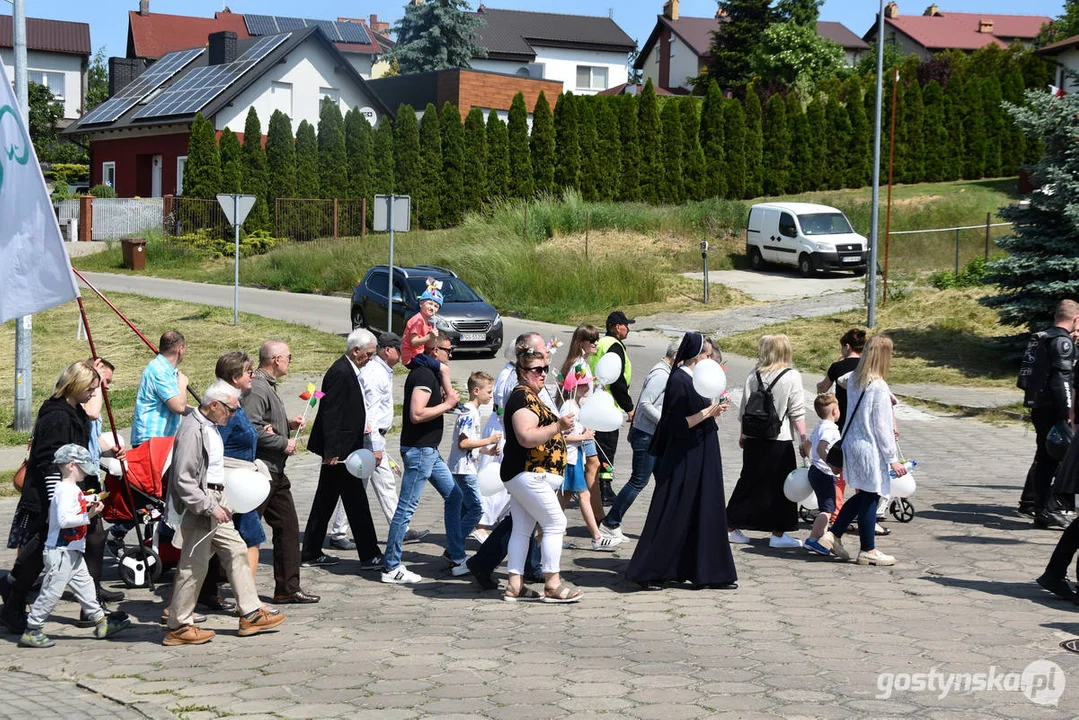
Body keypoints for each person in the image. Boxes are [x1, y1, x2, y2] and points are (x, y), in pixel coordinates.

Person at [163, 381, 286, 645]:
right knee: (192, 565)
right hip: (201, 507)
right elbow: (183, 479)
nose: (233, 415)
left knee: (237, 550)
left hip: (216, 501)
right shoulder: (192, 430)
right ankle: (179, 626)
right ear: (214, 404)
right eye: (230, 410)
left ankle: (251, 613)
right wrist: (209, 506)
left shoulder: (211, 425)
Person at [626, 332, 736, 589]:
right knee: (674, 509)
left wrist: (714, 411)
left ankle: (707, 571)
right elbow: (676, 424)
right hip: (684, 455)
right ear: (696, 355)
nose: (711, 359)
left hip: (702, 451)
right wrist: (708, 411)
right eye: (707, 354)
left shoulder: (694, 379)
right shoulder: (678, 379)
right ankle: (650, 570)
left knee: (705, 509)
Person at [1, 361, 100, 635]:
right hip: (51, 494)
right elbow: (48, 461)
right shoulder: (57, 416)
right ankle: (14, 596)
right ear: (76, 386)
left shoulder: (74, 411)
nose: (93, 393)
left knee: (91, 538)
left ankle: (91, 607)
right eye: (90, 388)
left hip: (70, 490)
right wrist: (57, 501)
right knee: (43, 548)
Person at [19, 444, 131, 648]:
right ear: (71, 466)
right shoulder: (65, 490)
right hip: (61, 552)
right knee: (51, 591)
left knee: (86, 586)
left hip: (72, 551)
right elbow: (63, 520)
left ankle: (101, 622)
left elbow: (71, 509)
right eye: (83, 468)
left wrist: (89, 501)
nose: (86, 472)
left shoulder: (72, 489)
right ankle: (32, 628)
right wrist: (89, 516)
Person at [465, 334, 549, 590]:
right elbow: (517, 417)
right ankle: (494, 563)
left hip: (528, 455)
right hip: (522, 456)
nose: (547, 351)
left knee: (523, 516)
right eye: (542, 348)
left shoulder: (528, 375)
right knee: (531, 516)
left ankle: (523, 565)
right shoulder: (515, 379)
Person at [330, 332, 429, 548]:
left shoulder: (382, 370)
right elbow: (370, 412)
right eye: (399, 350)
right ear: (388, 351)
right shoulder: (376, 373)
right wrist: (374, 445)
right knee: (355, 486)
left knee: (384, 483)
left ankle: (399, 528)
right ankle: (338, 533)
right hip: (370, 438)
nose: (402, 354)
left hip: (375, 439)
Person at [382, 336, 465, 584]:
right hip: (419, 451)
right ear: (435, 350)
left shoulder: (432, 373)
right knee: (406, 509)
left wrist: (446, 379)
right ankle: (391, 566)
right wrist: (448, 403)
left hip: (429, 450)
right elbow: (417, 414)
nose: (451, 355)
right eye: (449, 351)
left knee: (455, 496)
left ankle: (456, 556)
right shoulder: (423, 376)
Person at [817, 335, 907, 566]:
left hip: (852, 444)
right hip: (869, 447)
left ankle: (833, 535)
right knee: (870, 496)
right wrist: (893, 459)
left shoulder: (855, 378)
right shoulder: (878, 386)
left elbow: (844, 378)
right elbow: (882, 427)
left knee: (864, 495)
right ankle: (868, 549)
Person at [501, 344, 581, 603]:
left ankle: (515, 585)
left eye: (545, 369)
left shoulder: (531, 396)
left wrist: (558, 432)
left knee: (522, 529)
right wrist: (557, 425)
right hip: (528, 472)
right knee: (556, 523)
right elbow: (525, 437)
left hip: (529, 473)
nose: (543, 374)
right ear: (522, 372)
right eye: (537, 370)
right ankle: (552, 583)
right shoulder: (522, 398)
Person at [302, 330, 384, 570]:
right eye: (368, 354)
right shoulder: (340, 372)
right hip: (341, 453)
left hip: (344, 449)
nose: (370, 358)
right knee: (356, 503)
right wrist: (332, 451)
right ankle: (369, 555)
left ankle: (310, 551)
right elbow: (331, 413)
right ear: (355, 350)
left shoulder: (350, 369)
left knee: (325, 501)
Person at [243, 340, 319, 604]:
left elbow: (266, 424)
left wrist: (287, 425)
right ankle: (210, 587)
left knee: (287, 528)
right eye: (289, 356)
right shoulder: (257, 389)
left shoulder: (268, 386)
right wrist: (282, 442)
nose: (290, 361)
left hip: (276, 471)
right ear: (276, 359)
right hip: (261, 470)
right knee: (242, 532)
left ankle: (287, 588)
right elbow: (251, 429)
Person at [727, 334, 810, 549]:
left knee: (748, 482)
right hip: (779, 440)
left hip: (754, 438)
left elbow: (744, 409)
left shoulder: (753, 375)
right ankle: (778, 533)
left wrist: (743, 434)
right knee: (782, 487)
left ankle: (730, 526)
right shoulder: (792, 376)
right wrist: (803, 438)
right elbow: (797, 411)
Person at [601, 340, 679, 540]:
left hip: (651, 434)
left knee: (664, 480)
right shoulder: (661, 375)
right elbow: (645, 403)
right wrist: (664, 423)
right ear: (676, 355)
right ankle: (611, 522)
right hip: (647, 435)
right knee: (638, 481)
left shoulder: (665, 372)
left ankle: (660, 525)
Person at [1019, 300, 1079, 528]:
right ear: (1075, 319)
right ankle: (1046, 509)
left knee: (1045, 457)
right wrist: (1068, 413)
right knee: (1053, 459)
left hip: (1038, 405)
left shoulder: (1042, 336)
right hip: (1054, 409)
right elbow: (1061, 381)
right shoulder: (1062, 341)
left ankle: (1037, 504)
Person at [215, 351, 268, 586]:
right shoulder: (224, 407)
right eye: (249, 372)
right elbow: (215, 445)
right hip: (232, 485)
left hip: (241, 484)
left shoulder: (235, 403)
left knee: (239, 539)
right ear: (235, 376)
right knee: (250, 538)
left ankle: (215, 595)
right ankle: (249, 602)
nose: (253, 376)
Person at [81, 357, 125, 605]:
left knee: (94, 535)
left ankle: (93, 589)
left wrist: (110, 451)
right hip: (80, 474)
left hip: (90, 471)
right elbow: (92, 414)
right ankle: (15, 585)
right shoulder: (87, 400)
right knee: (92, 535)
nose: (107, 387)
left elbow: (94, 437)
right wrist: (95, 383)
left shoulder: (93, 397)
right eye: (105, 381)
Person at [559, 374, 620, 551]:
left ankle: (546, 533)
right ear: (574, 387)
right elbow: (561, 436)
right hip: (570, 458)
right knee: (584, 495)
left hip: (576, 456)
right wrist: (583, 436)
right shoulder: (569, 406)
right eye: (583, 385)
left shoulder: (577, 405)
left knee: (564, 498)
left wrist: (585, 429)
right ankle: (597, 537)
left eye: (588, 384)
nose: (587, 387)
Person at [816, 329, 866, 522]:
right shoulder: (867, 366)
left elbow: (823, 388)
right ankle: (863, 510)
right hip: (862, 424)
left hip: (842, 423)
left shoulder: (838, 367)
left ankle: (836, 513)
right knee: (861, 472)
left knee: (840, 472)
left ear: (847, 346)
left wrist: (836, 366)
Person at [448, 372, 500, 550]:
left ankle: (456, 551)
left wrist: (487, 450)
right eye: (488, 392)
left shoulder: (473, 411)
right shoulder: (469, 413)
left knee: (465, 509)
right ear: (476, 390)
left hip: (466, 467)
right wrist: (489, 440)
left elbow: (470, 443)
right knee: (476, 509)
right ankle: (455, 545)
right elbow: (463, 443)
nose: (491, 395)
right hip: (463, 469)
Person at [589, 311, 635, 506]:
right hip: (608, 405)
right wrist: (629, 407)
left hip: (594, 401)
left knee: (598, 449)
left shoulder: (601, 344)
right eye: (626, 325)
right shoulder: (614, 347)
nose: (628, 328)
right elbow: (617, 382)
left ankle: (597, 485)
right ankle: (605, 488)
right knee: (607, 450)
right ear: (617, 327)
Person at [559, 325, 602, 519]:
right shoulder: (578, 365)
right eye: (591, 340)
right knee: (593, 465)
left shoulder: (583, 362)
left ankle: (550, 525)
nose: (595, 343)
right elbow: (574, 394)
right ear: (580, 342)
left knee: (571, 489)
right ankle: (599, 519)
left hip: (585, 421)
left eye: (596, 339)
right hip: (581, 424)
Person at [130, 330, 189, 447]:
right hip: (151, 440)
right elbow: (179, 407)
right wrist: (182, 384)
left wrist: (201, 412)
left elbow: (173, 401)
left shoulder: (166, 370)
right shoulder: (159, 371)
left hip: (161, 439)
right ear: (180, 349)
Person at [401, 277, 456, 404]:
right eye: (430, 303)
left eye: (436, 306)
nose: (433, 307)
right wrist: (429, 337)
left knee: (437, 369)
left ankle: (441, 393)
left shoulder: (427, 323)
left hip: (418, 355)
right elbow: (413, 342)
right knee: (444, 369)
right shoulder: (418, 320)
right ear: (421, 304)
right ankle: (451, 398)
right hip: (413, 356)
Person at [803, 394, 842, 556]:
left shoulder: (820, 425)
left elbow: (807, 444)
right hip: (824, 473)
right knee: (827, 510)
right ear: (834, 411)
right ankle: (812, 539)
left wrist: (806, 456)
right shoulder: (829, 429)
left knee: (826, 507)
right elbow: (821, 447)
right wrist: (831, 465)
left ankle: (821, 540)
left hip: (815, 470)